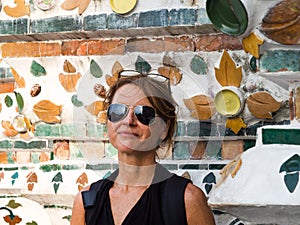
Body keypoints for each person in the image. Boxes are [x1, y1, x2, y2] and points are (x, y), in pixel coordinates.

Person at [70, 70, 216, 225]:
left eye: (144, 113)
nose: (128, 120)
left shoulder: (187, 200)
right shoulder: (86, 202)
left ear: (164, 129)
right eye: (118, 111)